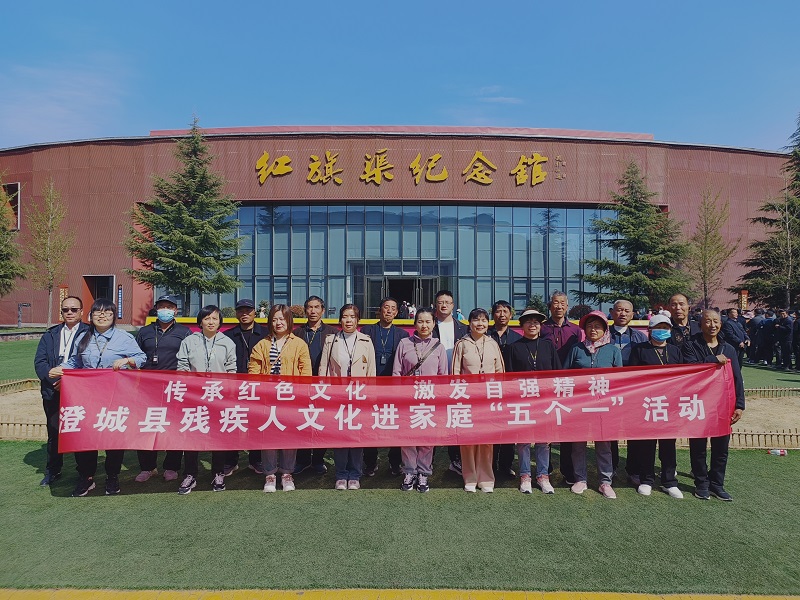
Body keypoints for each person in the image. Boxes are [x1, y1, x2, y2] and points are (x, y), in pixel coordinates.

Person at [48, 298, 146, 497]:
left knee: (113, 436)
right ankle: (87, 477)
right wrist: (61, 369)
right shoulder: (83, 337)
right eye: (97, 312)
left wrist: (127, 360)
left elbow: (141, 357)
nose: (102, 315)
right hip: (88, 397)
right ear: (90, 316)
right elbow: (75, 361)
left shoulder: (124, 337)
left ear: (114, 316)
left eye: (107, 312)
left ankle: (112, 476)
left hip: (115, 396)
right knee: (86, 436)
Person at [248, 304, 312, 492]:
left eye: (282, 319)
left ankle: (286, 473)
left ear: (289, 321)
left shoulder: (299, 344)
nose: (278, 323)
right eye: (275, 319)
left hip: (291, 398)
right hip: (267, 399)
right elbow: (253, 371)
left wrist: (301, 395)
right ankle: (269, 474)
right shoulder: (262, 344)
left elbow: (306, 373)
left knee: (289, 436)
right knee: (268, 435)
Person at [683, 309, 745, 501]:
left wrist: (740, 405)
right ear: (700, 324)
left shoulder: (729, 349)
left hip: (722, 405)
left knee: (721, 448)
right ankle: (701, 483)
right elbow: (690, 370)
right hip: (699, 403)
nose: (712, 325)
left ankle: (717, 484)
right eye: (708, 321)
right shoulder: (690, 345)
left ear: (721, 324)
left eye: (716, 321)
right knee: (698, 447)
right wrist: (712, 360)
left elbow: (737, 378)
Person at [175, 305, 237, 494]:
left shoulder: (227, 343)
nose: (211, 322)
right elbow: (182, 366)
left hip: (219, 397)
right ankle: (190, 474)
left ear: (220, 322)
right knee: (192, 435)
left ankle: (218, 472)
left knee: (218, 436)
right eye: (207, 318)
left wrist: (228, 393)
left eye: (215, 318)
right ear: (200, 321)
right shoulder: (189, 341)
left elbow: (231, 369)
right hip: (194, 396)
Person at [563, 310, 622, 499]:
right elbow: (564, 376)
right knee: (578, 445)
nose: (593, 329)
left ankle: (605, 482)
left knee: (604, 445)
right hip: (579, 406)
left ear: (605, 329)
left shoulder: (613, 350)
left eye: (597, 326)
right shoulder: (576, 349)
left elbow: (620, 379)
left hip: (603, 406)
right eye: (589, 326)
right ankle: (580, 479)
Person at [134, 294, 191, 483]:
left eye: (169, 307)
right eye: (161, 306)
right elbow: (136, 356)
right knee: (146, 426)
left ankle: (171, 466)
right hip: (147, 388)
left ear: (175, 310)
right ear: (156, 309)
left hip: (174, 387)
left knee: (173, 427)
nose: (165, 310)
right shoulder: (145, 332)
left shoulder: (184, 332)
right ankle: (148, 467)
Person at [319, 304, 376, 490]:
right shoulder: (331, 340)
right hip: (337, 395)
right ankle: (341, 474)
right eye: (345, 316)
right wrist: (323, 394)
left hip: (359, 395)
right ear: (340, 319)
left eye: (352, 316)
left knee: (356, 436)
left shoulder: (366, 341)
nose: (348, 320)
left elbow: (371, 372)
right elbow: (323, 369)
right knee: (340, 436)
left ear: (358, 320)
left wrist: (370, 397)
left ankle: (355, 475)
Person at [33, 295, 89, 486]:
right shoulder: (50, 335)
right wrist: (54, 380)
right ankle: (53, 470)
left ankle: (84, 472)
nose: (70, 313)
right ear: (61, 312)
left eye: (74, 309)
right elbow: (40, 362)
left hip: (79, 393)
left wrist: (70, 382)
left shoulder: (90, 333)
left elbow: (91, 363)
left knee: (81, 431)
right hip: (52, 390)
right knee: (54, 431)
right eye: (66, 310)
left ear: (81, 311)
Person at [627, 314, 684, 499]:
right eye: (658, 327)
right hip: (647, 403)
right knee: (647, 444)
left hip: (669, 404)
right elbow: (632, 376)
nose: (662, 331)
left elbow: (683, 376)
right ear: (650, 330)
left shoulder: (675, 351)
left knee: (668, 444)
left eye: (665, 328)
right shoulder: (639, 350)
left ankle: (669, 481)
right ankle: (647, 480)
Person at [393, 307, 449, 493]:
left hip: (429, 399)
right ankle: (409, 471)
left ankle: (424, 472)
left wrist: (440, 399)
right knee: (407, 436)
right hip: (407, 399)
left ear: (433, 324)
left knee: (427, 437)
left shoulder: (438, 346)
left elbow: (443, 375)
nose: (424, 325)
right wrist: (398, 396)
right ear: (414, 324)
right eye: (420, 321)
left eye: (428, 322)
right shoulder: (404, 343)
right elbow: (396, 373)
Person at [506, 309, 562, 494]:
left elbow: (557, 373)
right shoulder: (513, 347)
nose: (532, 325)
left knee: (543, 441)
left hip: (545, 400)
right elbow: (509, 377)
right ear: (522, 325)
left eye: (536, 322)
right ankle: (525, 476)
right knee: (523, 441)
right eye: (528, 322)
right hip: (522, 400)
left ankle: (543, 476)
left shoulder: (548, 346)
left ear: (540, 326)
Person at [452, 308, 505, 493]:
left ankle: (486, 478)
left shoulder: (493, 344)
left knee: (486, 439)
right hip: (467, 399)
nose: (480, 324)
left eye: (483, 320)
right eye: (476, 320)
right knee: (468, 440)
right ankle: (470, 477)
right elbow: (455, 373)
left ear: (488, 323)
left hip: (488, 399)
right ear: (470, 323)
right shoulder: (462, 344)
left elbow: (500, 372)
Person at [359, 297, 409, 476]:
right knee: (369, 424)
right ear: (379, 310)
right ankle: (370, 462)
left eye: (393, 308)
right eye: (386, 307)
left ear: (397, 312)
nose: (389, 311)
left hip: (394, 387)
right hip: (371, 385)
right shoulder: (367, 331)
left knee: (395, 424)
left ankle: (395, 462)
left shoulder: (402, 334)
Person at [540, 290, 584, 485]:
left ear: (567, 306)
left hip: (568, 385)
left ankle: (568, 470)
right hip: (546, 384)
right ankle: (545, 469)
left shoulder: (575, 330)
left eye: (562, 303)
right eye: (555, 303)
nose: (558, 306)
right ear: (550, 306)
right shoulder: (542, 328)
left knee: (567, 428)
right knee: (545, 427)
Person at [292, 295, 338, 475]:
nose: (313, 311)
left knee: (321, 422)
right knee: (302, 422)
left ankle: (318, 459)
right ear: (305, 311)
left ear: (323, 310)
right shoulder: (297, 333)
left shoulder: (333, 333)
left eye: (316, 307)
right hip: (301, 384)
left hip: (324, 385)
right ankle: (302, 460)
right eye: (309, 307)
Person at [224, 298, 268, 475]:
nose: (244, 314)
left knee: (257, 423)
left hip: (259, 387)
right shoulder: (228, 335)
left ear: (254, 312)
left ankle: (255, 460)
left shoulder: (266, 333)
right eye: (241, 311)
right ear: (236, 313)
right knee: (233, 422)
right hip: (233, 388)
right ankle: (230, 460)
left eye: (248, 311)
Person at [431, 289, 469, 475]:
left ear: (453, 306)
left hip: (456, 381)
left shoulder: (463, 328)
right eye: (440, 302)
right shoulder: (429, 325)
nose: (444, 305)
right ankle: (427, 461)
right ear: (435, 305)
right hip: (433, 381)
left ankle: (456, 460)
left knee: (455, 421)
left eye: (447, 302)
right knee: (430, 420)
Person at [607, 299, 647, 476]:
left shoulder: (640, 337)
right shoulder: (602, 335)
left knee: (634, 430)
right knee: (610, 431)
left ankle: (633, 470)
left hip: (633, 392)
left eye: (626, 311)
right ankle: (611, 467)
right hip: (609, 390)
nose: (622, 313)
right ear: (611, 312)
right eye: (619, 310)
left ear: (632, 314)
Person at [487, 300, 522, 478]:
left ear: (511, 314)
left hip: (510, 389)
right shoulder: (485, 334)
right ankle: (490, 465)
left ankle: (506, 465)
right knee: (490, 428)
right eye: (498, 311)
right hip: (489, 389)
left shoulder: (517, 337)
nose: (502, 315)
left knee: (509, 428)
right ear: (492, 314)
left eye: (505, 311)